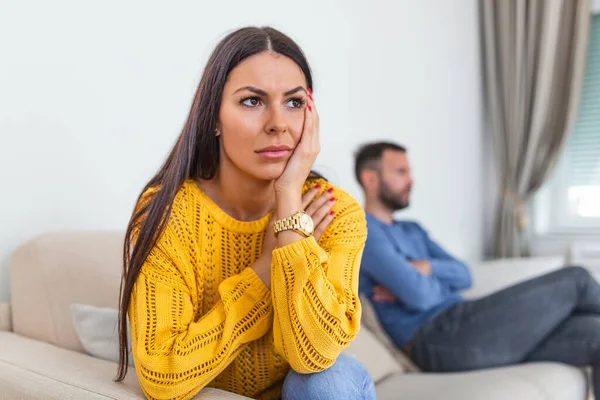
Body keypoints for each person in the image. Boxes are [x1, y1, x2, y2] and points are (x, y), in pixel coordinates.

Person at [115, 27, 375, 400]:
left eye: (294, 102)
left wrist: (288, 208)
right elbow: (163, 376)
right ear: (214, 118)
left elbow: (313, 354)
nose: (278, 124)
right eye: (252, 101)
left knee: (327, 380)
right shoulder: (168, 213)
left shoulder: (334, 210)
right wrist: (265, 270)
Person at [355, 141, 600, 398]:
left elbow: (464, 274)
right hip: (438, 336)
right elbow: (420, 297)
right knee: (576, 279)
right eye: (401, 172)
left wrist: (426, 267)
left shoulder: (412, 230)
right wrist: (423, 282)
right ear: (371, 179)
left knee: (595, 332)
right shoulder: (365, 233)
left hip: (466, 322)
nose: (411, 180)